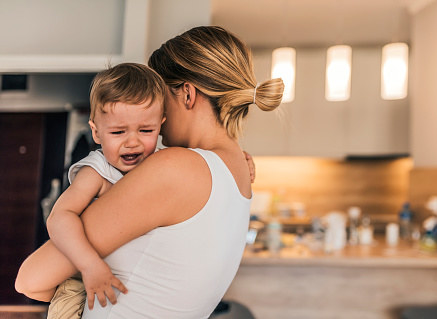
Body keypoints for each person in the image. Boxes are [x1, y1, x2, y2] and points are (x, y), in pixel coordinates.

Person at [15, 25, 283, 318]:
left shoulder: (177, 169)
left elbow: (31, 279)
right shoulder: (239, 173)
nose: (152, 113)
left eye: (159, 95)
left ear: (187, 94)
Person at [45, 62, 167, 319]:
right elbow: (59, 217)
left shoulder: (163, 162)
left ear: (161, 126)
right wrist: (89, 265)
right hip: (81, 275)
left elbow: (203, 159)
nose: (132, 141)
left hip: (131, 276)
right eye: (118, 132)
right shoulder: (97, 171)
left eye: (146, 130)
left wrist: (239, 160)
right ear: (97, 132)